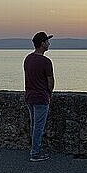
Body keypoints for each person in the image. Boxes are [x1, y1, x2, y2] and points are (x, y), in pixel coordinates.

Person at [24, 31, 55, 162]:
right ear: (42, 44)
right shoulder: (46, 62)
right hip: (41, 97)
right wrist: (49, 94)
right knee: (38, 126)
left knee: (34, 125)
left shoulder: (28, 59)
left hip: (29, 96)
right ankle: (35, 153)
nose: (49, 43)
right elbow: (50, 81)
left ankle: (34, 149)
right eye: (47, 41)